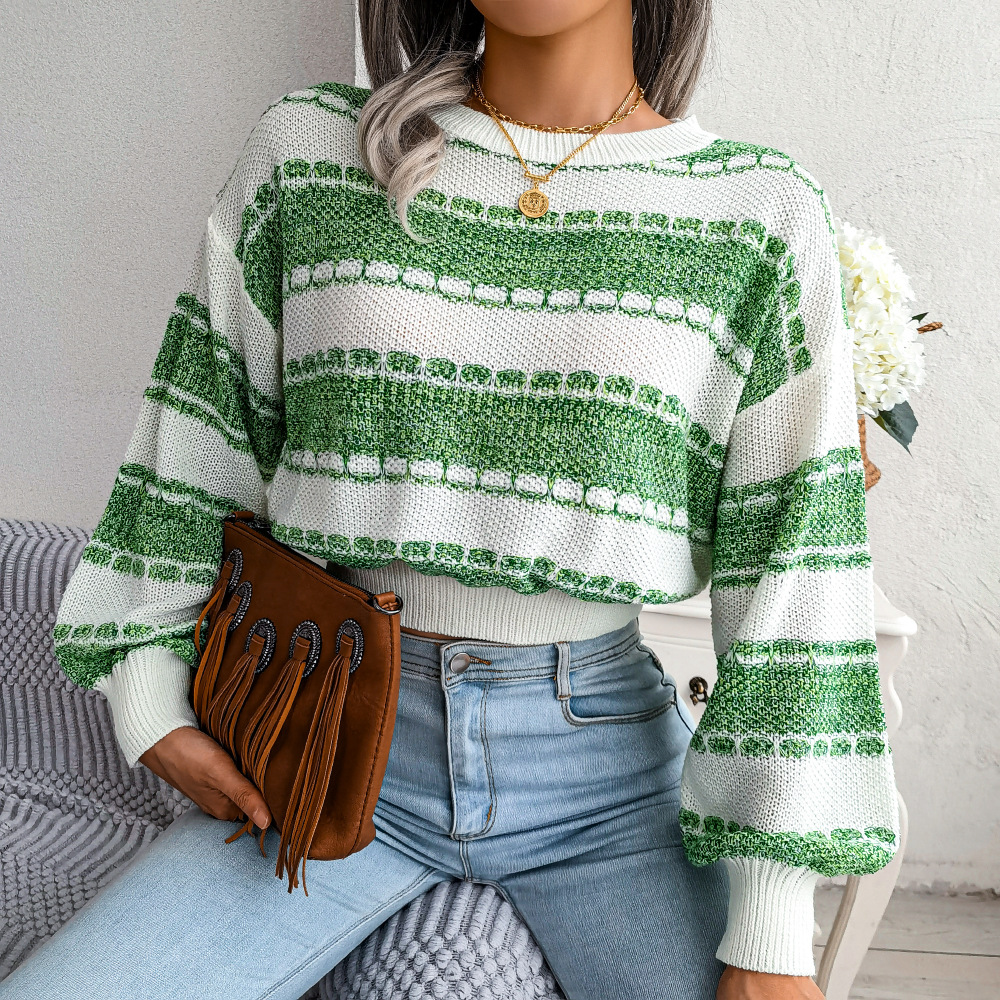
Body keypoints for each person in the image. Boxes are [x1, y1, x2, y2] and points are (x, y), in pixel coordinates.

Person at [1, 1, 900, 998]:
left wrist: (769, 924)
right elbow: (194, 444)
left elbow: (795, 574)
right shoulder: (309, 156)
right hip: (329, 743)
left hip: (608, 784)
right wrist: (146, 694)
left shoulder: (757, 214)